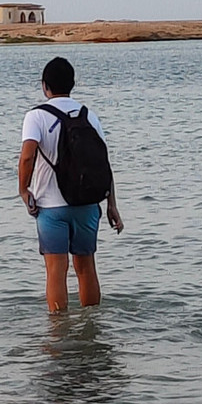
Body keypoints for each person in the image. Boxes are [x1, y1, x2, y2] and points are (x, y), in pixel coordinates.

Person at [19, 57, 123, 313]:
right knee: (86, 267)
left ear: (45, 86)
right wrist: (112, 205)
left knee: (56, 270)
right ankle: (91, 327)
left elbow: (27, 156)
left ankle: (58, 332)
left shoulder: (36, 116)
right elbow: (103, 162)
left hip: (51, 207)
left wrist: (24, 190)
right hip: (87, 205)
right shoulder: (89, 116)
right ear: (73, 84)